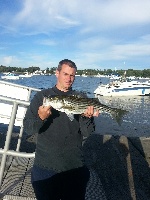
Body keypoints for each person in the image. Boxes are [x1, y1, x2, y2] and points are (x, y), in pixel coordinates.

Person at [23, 59, 99, 200]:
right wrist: (40, 118)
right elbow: (28, 128)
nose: (69, 79)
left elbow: (88, 132)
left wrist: (87, 117)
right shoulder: (42, 97)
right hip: (45, 165)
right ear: (57, 73)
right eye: (65, 74)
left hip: (74, 165)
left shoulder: (81, 98)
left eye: (72, 75)